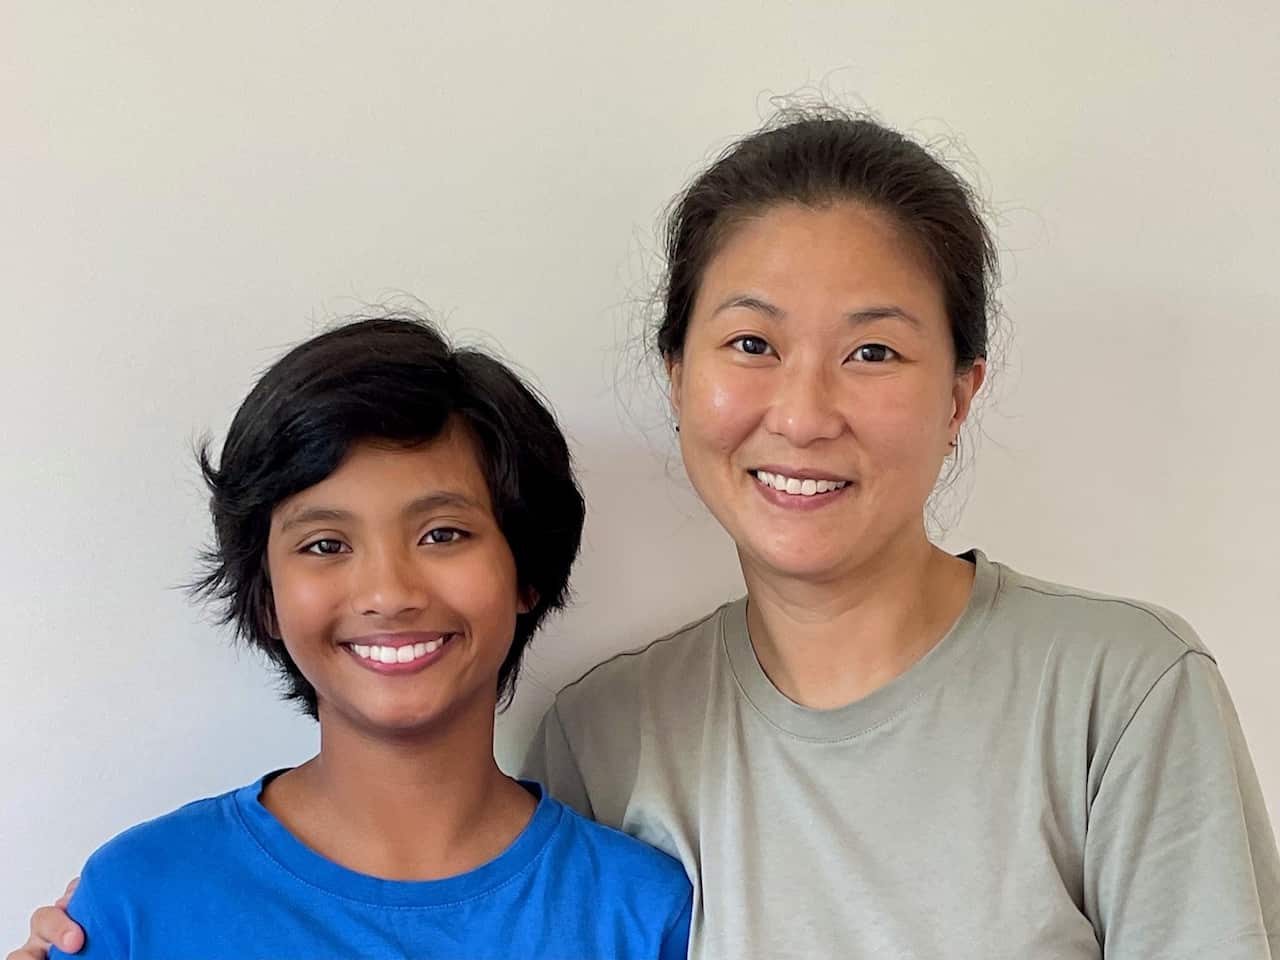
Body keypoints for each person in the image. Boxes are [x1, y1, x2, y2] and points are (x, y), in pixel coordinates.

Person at [15, 109, 1280, 959]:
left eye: (875, 351)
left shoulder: (1119, 692)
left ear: (960, 391)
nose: (802, 410)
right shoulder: (606, 736)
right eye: (749, 344)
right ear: (676, 375)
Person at [27, 317, 692, 960]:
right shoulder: (138, 900)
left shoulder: (644, 915)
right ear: (266, 599)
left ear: (527, 573)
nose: (388, 592)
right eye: (325, 544)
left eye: (443, 535)